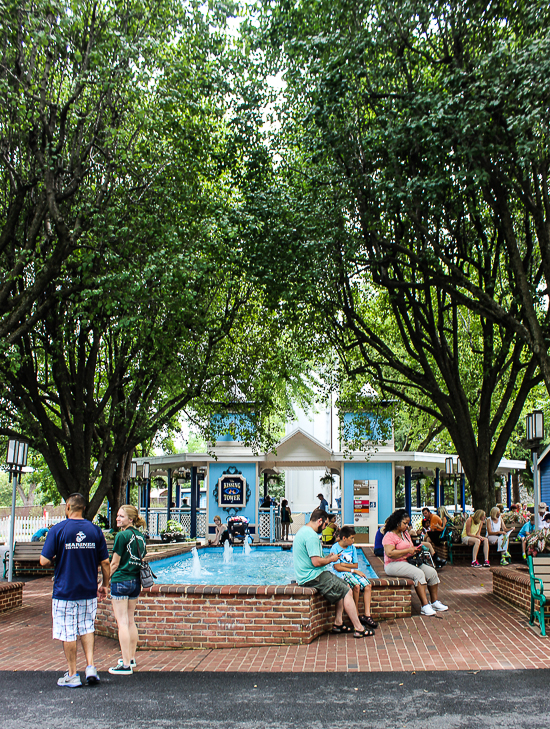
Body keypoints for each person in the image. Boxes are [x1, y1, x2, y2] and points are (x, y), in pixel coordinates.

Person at [39, 493, 110, 688]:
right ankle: (90, 667)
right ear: (84, 509)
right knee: (87, 627)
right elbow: (105, 562)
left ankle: (72, 674)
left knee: (68, 632)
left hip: (65, 590)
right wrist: (105, 585)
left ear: (68, 507)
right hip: (88, 589)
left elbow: (44, 560)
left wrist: (57, 557)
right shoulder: (95, 531)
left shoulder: (58, 530)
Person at [293, 508, 373, 637]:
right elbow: (316, 563)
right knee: (348, 591)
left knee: (343, 586)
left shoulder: (303, 531)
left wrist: (327, 558)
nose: (325, 528)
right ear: (320, 521)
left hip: (307, 575)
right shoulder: (311, 536)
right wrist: (331, 559)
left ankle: (338, 623)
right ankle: (359, 628)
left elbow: (313, 559)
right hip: (313, 576)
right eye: (325, 524)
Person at [382, 509, 448, 617]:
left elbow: (409, 546)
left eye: (408, 523)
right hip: (393, 564)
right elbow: (390, 553)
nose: (407, 526)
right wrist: (407, 551)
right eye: (405, 523)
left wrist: (415, 549)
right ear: (397, 522)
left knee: (431, 572)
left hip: (409, 561)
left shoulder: (405, 533)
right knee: (419, 574)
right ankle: (425, 605)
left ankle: (434, 602)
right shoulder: (389, 536)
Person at [108, 505, 147, 675]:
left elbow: (115, 563)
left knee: (122, 622)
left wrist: (103, 581)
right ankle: (130, 658)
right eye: (117, 515)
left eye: (121, 516)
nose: (118, 518)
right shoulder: (141, 537)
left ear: (130, 520)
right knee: (131, 621)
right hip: (135, 582)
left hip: (121, 580)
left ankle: (124, 665)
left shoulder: (122, 536)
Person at [329, 526, 378, 630]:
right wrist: (351, 569)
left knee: (368, 585)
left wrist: (344, 565)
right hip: (343, 574)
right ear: (344, 538)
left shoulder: (353, 548)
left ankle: (367, 615)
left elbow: (355, 565)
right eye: (352, 538)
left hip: (351, 572)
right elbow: (337, 567)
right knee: (356, 585)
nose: (353, 540)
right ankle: (356, 614)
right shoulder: (335, 548)